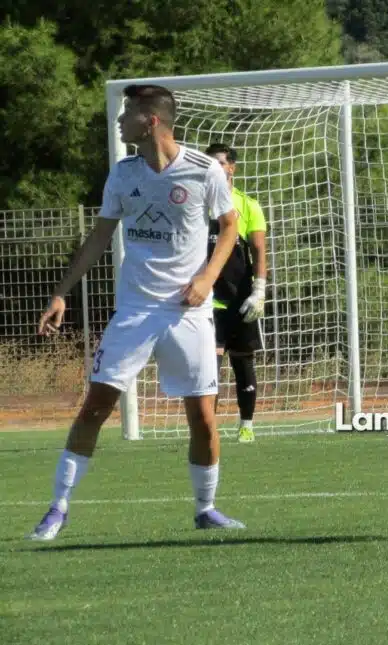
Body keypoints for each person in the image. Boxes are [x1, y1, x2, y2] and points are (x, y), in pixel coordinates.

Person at [27, 84, 245, 541]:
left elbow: (230, 227)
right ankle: (57, 508)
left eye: (127, 114)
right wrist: (61, 293)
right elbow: (99, 237)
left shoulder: (204, 170)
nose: (120, 121)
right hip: (135, 310)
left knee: (203, 416)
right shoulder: (123, 173)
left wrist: (207, 278)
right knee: (95, 407)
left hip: (187, 314)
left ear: (151, 121)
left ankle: (206, 508)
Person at [204, 143, 267, 444]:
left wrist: (259, 290)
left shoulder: (248, 205)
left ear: (232, 168)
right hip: (207, 301)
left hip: (240, 299)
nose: (214, 168)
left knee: (243, 361)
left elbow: (259, 250)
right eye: (209, 163)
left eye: (219, 163)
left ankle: (246, 426)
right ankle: (207, 429)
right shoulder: (197, 204)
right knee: (209, 368)